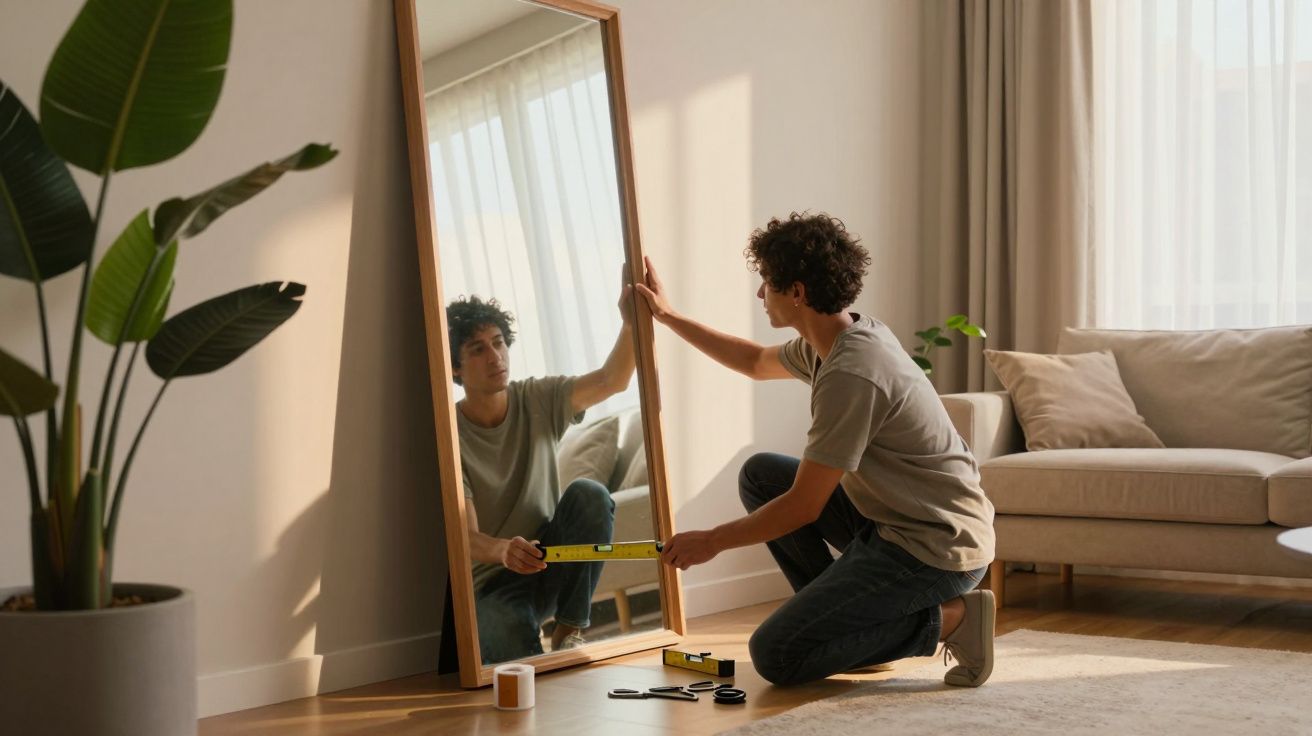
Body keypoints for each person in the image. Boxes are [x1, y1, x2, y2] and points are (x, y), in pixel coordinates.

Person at [635, 212, 997, 687]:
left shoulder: (853, 371)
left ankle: (956, 619)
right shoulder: (836, 337)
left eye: (767, 282)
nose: (760, 294)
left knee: (776, 655)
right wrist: (667, 315)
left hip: (937, 547)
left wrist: (712, 541)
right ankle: (844, 625)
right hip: (897, 521)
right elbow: (754, 361)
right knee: (761, 475)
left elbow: (805, 506)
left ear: (798, 292)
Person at [449, 287, 635, 663]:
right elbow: (464, 537)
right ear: (455, 367)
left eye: (499, 342)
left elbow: (612, 380)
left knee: (590, 495)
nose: (495, 356)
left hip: (550, 559)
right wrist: (503, 550)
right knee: (521, 664)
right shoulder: (449, 434)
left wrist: (632, 320)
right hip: (494, 585)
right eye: (478, 349)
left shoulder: (536, 397)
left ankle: (569, 628)